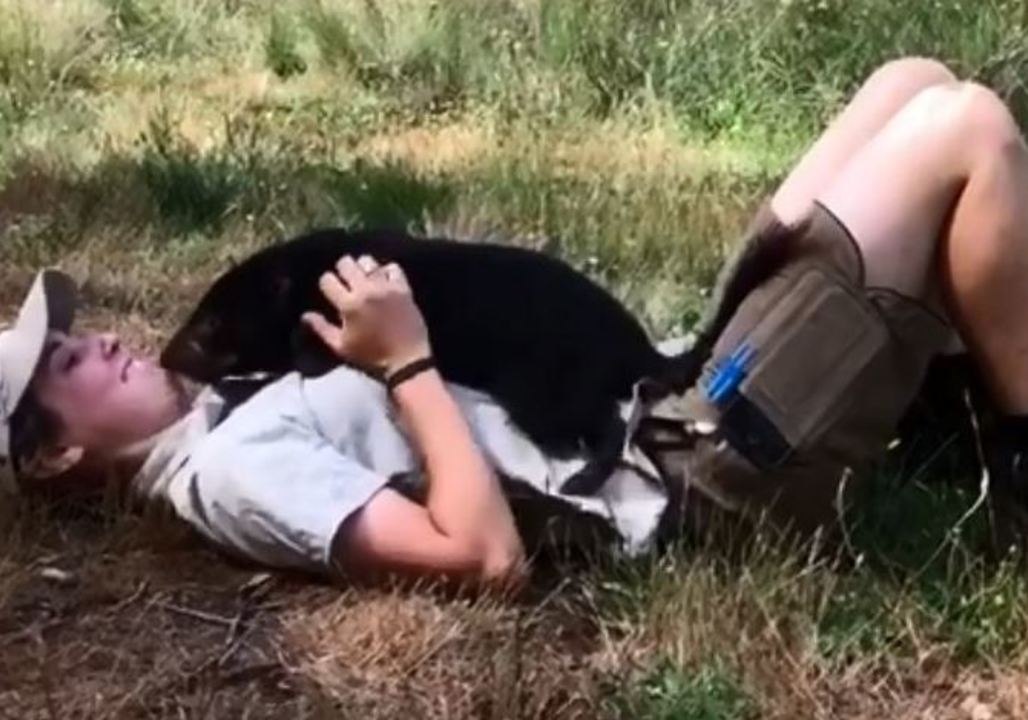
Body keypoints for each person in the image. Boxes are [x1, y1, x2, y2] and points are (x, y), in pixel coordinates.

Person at [4, 56, 1028, 592]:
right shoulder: (229, 476)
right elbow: (483, 560)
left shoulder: (230, 409)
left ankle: (952, 404)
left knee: (907, 82)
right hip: (678, 485)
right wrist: (404, 365)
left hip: (646, 408)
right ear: (52, 459)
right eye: (61, 365)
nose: (91, 340)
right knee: (966, 128)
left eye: (68, 334)